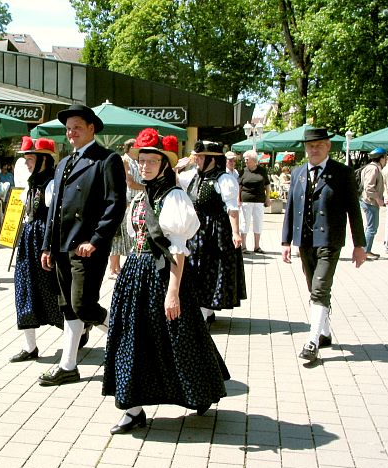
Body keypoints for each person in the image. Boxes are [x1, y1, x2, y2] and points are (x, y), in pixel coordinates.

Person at [103, 128, 229, 434]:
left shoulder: (174, 198)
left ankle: (201, 391)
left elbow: (178, 249)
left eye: (151, 161)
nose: (144, 165)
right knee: (130, 339)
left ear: (164, 164)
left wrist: (173, 293)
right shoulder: (141, 195)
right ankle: (132, 409)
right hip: (136, 275)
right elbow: (133, 238)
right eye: (141, 160)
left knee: (179, 337)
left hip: (165, 276)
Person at [39, 104, 127, 386]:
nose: (71, 132)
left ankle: (130, 341)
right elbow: (55, 208)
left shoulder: (107, 159)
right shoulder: (64, 163)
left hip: (85, 247)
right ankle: (68, 365)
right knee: (68, 306)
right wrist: (47, 246)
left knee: (84, 305)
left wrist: (96, 240)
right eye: (68, 128)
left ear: (91, 128)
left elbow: (115, 206)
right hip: (62, 245)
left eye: (77, 127)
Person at [282, 127, 366, 362]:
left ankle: (312, 341)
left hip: (330, 240)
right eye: (310, 145)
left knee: (320, 288)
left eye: (319, 145)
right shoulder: (298, 173)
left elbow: (354, 211)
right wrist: (285, 241)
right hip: (305, 241)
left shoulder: (342, 173)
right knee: (313, 288)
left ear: (328, 146)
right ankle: (325, 332)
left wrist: (360, 244)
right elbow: (289, 209)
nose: (314, 149)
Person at [181, 140, 246, 325]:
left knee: (209, 270)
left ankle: (205, 312)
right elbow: (172, 181)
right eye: (198, 156)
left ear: (212, 159)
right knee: (195, 269)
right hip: (195, 230)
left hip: (215, 231)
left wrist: (235, 232)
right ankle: (205, 311)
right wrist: (178, 167)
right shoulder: (193, 175)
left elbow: (232, 209)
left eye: (201, 157)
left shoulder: (224, 179)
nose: (198, 160)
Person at [11, 137, 63, 362]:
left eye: (30, 159)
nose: (27, 164)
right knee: (24, 290)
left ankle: (79, 330)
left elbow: (55, 218)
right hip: (28, 240)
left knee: (52, 291)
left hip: (45, 241)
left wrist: (49, 247)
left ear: (43, 160)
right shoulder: (31, 184)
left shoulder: (52, 184)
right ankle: (30, 346)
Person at [108, 138, 143, 280]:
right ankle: (112, 269)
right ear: (129, 149)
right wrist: (147, 188)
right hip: (127, 203)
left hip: (132, 203)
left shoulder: (134, 161)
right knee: (118, 237)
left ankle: (116, 267)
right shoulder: (125, 161)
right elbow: (130, 183)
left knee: (123, 238)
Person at [238, 150, 271, 253]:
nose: (245, 161)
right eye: (245, 159)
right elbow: (239, 186)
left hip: (259, 200)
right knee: (245, 222)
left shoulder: (262, 171)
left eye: (247, 159)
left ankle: (257, 246)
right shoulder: (243, 171)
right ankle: (243, 246)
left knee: (258, 222)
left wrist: (268, 197)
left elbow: (267, 185)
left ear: (253, 160)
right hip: (246, 200)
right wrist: (238, 199)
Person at [360, 147, 386, 259]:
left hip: (368, 201)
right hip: (370, 202)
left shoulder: (371, 167)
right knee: (372, 228)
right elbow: (369, 188)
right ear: (381, 158)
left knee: (370, 227)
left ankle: (366, 250)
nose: (386, 160)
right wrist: (378, 199)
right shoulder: (373, 169)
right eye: (385, 157)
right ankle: (365, 251)